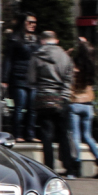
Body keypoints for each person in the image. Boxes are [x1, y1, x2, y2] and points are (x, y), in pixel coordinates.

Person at [28, 30, 74, 173]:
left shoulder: (36, 56)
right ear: (56, 40)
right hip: (61, 99)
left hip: (43, 99)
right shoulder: (65, 57)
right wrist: (64, 96)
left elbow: (31, 79)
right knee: (63, 134)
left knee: (46, 135)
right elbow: (69, 79)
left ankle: (49, 166)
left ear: (42, 40)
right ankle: (69, 167)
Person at [68, 37, 98, 178]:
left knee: (75, 138)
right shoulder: (91, 66)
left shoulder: (75, 66)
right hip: (88, 104)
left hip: (75, 103)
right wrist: (84, 43)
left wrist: (68, 53)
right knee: (88, 137)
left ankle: (76, 168)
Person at [2, 13, 40, 141]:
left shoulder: (37, 40)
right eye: (30, 22)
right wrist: (5, 79)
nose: (33, 25)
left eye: (34, 22)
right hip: (18, 78)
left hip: (33, 79)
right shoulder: (14, 39)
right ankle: (17, 134)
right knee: (19, 106)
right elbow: (8, 59)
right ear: (23, 22)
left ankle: (30, 134)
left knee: (32, 108)